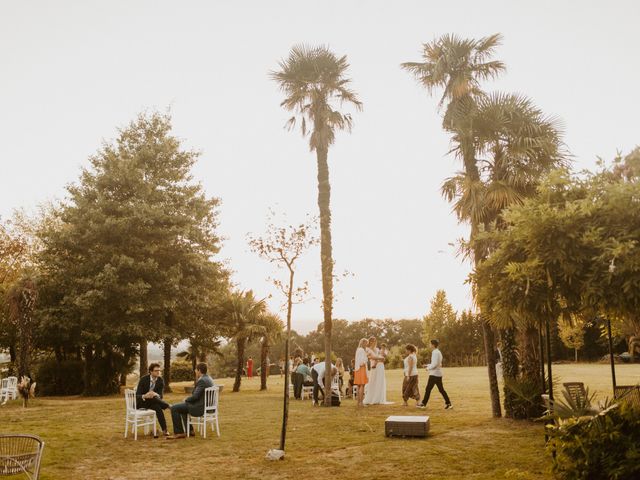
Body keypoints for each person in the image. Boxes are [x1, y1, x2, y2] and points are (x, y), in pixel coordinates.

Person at [167, 363, 215, 439]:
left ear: (199, 370)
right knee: (182, 407)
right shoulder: (209, 378)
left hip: (200, 407)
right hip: (208, 406)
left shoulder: (202, 380)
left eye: (196, 370)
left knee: (174, 408)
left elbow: (195, 396)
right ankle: (190, 430)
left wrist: (186, 399)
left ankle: (179, 433)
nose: (195, 371)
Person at [136, 362, 171, 437]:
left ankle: (165, 430)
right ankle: (167, 406)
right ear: (151, 371)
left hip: (153, 402)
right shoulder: (143, 379)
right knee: (153, 398)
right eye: (156, 370)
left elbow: (160, 396)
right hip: (142, 402)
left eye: (159, 370)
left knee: (158, 407)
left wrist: (155, 394)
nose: (158, 372)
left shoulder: (160, 380)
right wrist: (145, 396)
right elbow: (137, 395)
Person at [418, 339, 452, 409]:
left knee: (428, 389)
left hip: (434, 374)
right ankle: (448, 403)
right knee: (441, 390)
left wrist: (428, 368)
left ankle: (423, 404)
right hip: (438, 374)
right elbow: (436, 363)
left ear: (433, 345)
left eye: (430, 344)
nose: (429, 345)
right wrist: (427, 365)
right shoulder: (438, 352)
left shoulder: (435, 352)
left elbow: (435, 364)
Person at [363, 336, 388, 405]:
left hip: (380, 366)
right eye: (372, 341)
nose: (373, 342)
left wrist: (382, 358)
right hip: (374, 367)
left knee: (380, 381)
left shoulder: (377, 349)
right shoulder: (367, 349)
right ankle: (372, 398)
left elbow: (382, 356)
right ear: (369, 342)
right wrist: (380, 358)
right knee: (373, 381)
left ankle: (379, 398)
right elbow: (371, 357)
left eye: (374, 341)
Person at [354, 338, 368, 407]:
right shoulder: (362, 350)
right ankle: (361, 403)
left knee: (359, 386)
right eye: (366, 343)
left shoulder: (358, 350)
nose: (366, 345)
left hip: (357, 369)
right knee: (362, 385)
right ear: (363, 343)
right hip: (361, 368)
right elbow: (362, 361)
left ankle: (358, 402)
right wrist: (366, 359)